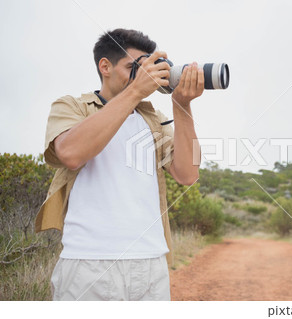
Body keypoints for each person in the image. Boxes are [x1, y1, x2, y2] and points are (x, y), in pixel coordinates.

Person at [35, 28, 203, 300]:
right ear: (105, 67)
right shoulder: (72, 107)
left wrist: (181, 104)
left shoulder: (152, 120)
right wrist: (136, 91)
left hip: (151, 262)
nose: (144, 76)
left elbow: (187, 173)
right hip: (89, 263)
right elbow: (70, 154)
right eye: (134, 67)